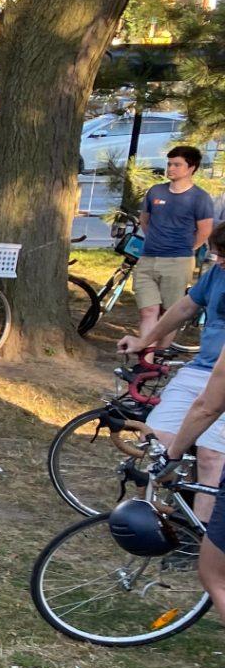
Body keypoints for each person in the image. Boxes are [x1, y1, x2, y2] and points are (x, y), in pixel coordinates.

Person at [118, 224, 225, 525]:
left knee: (211, 456)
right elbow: (185, 307)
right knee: (155, 440)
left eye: (224, 256)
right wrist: (145, 340)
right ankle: (149, 517)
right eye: (217, 255)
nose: (219, 262)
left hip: (223, 377)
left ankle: (197, 533)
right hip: (201, 370)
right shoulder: (217, 273)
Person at [135, 148, 216, 358]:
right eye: (169, 163)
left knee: (169, 314)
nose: (171, 168)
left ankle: (158, 357)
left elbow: (205, 229)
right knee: (148, 311)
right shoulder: (155, 192)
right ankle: (146, 359)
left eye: (177, 164)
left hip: (178, 261)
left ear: (191, 168)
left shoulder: (200, 198)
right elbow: (145, 220)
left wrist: (187, 249)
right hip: (148, 258)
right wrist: (155, 240)